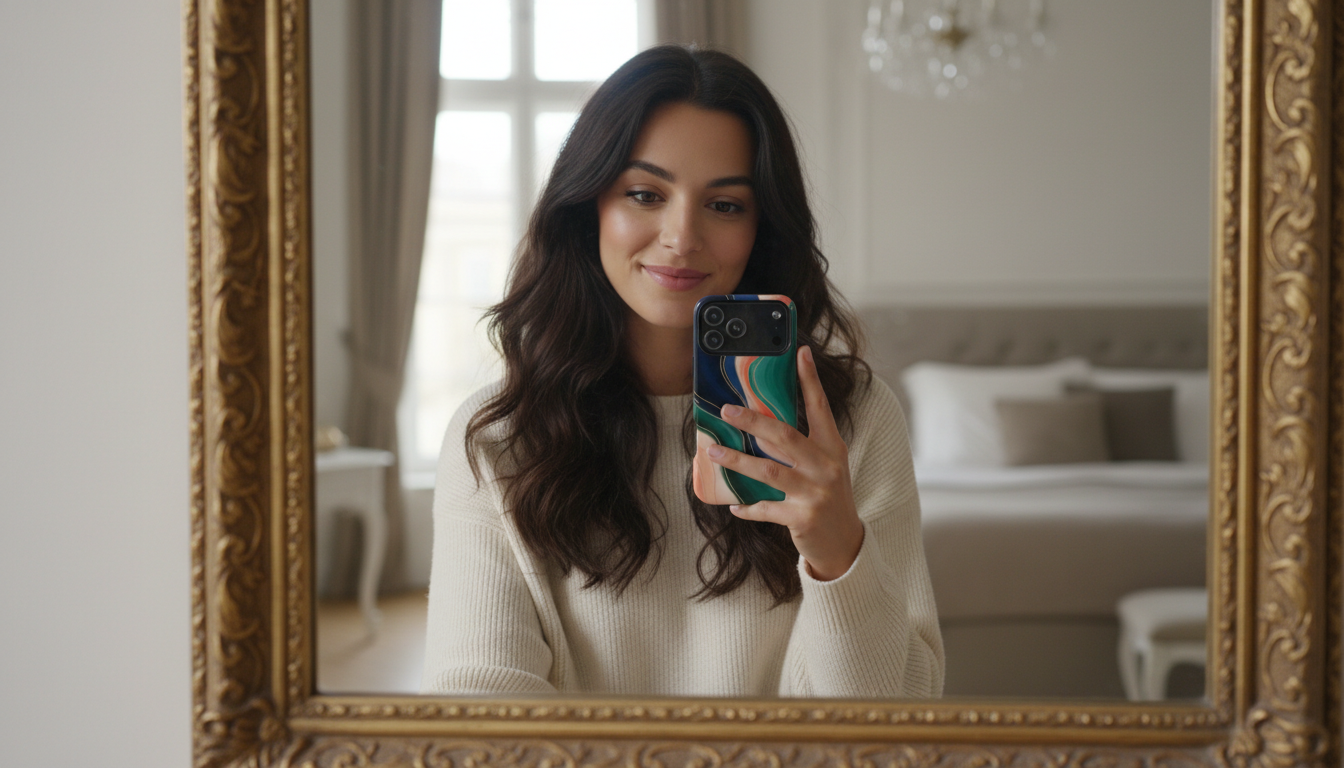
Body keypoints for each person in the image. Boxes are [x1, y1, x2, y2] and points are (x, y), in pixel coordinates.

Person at [421, 45, 943, 698]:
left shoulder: (854, 420)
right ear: (589, 211)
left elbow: (900, 720)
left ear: (762, 227)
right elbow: (479, 695)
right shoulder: (499, 436)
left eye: (725, 205)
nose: (681, 235)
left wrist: (838, 555)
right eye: (645, 194)